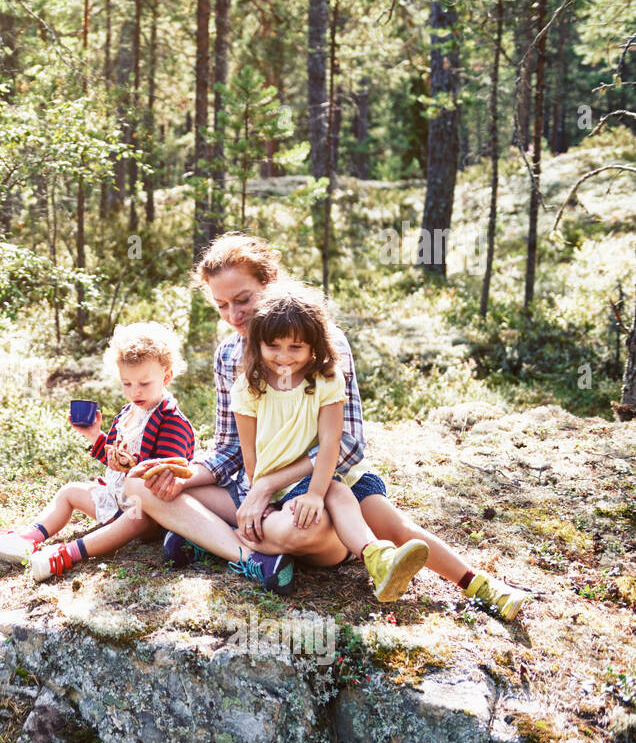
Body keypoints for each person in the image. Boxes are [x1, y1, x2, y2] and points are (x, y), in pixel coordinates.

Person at [124, 233, 528, 619]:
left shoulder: (322, 344)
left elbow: (348, 443)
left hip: (330, 483)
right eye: (221, 306)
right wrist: (183, 476)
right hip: (259, 489)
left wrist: (271, 483)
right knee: (141, 487)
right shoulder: (229, 355)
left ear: (270, 283)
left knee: (381, 523)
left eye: (243, 299)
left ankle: (479, 584)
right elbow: (231, 448)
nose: (234, 315)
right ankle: (250, 555)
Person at [0, 322, 232, 584]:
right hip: (115, 496)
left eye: (144, 383)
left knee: (136, 518)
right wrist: (95, 436)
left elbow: (166, 474)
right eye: (127, 383)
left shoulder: (171, 421)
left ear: (166, 377)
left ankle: (67, 554)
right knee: (69, 492)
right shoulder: (128, 413)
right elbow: (114, 456)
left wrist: (133, 466)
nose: (135, 391)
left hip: (148, 510)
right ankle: (28, 538)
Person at [231, 281, 430, 601]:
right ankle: (221, 543)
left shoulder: (325, 380)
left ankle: (378, 558)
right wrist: (261, 497)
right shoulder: (247, 387)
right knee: (297, 518)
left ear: (314, 347)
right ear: (258, 343)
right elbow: (250, 454)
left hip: (311, 475)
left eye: (295, 347)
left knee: (337, 491)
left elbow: (330, 443)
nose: (284, 357)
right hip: (272, 485)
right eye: (274, 346)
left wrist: (314, 494)